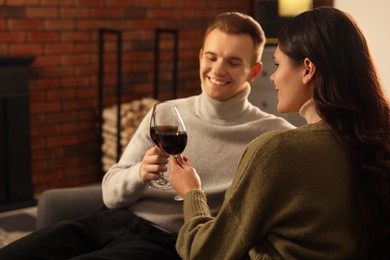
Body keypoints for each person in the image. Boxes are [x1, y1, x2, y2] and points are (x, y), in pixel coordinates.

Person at [0, 12, 295, 259]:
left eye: (233, 62)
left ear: (253, 72)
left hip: (166, 242)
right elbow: (110, 191)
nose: (217, 69)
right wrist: (139, 173)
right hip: (111, 221)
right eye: (211, 57)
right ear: (200, 57)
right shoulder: (165, 112)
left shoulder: (272, 135)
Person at [169, 6, 390, 260]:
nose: (273, 77)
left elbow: (203, 252)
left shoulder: (276, 151)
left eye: (278, 64)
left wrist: (191, 193)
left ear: (307, 69)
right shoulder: (376, 139)